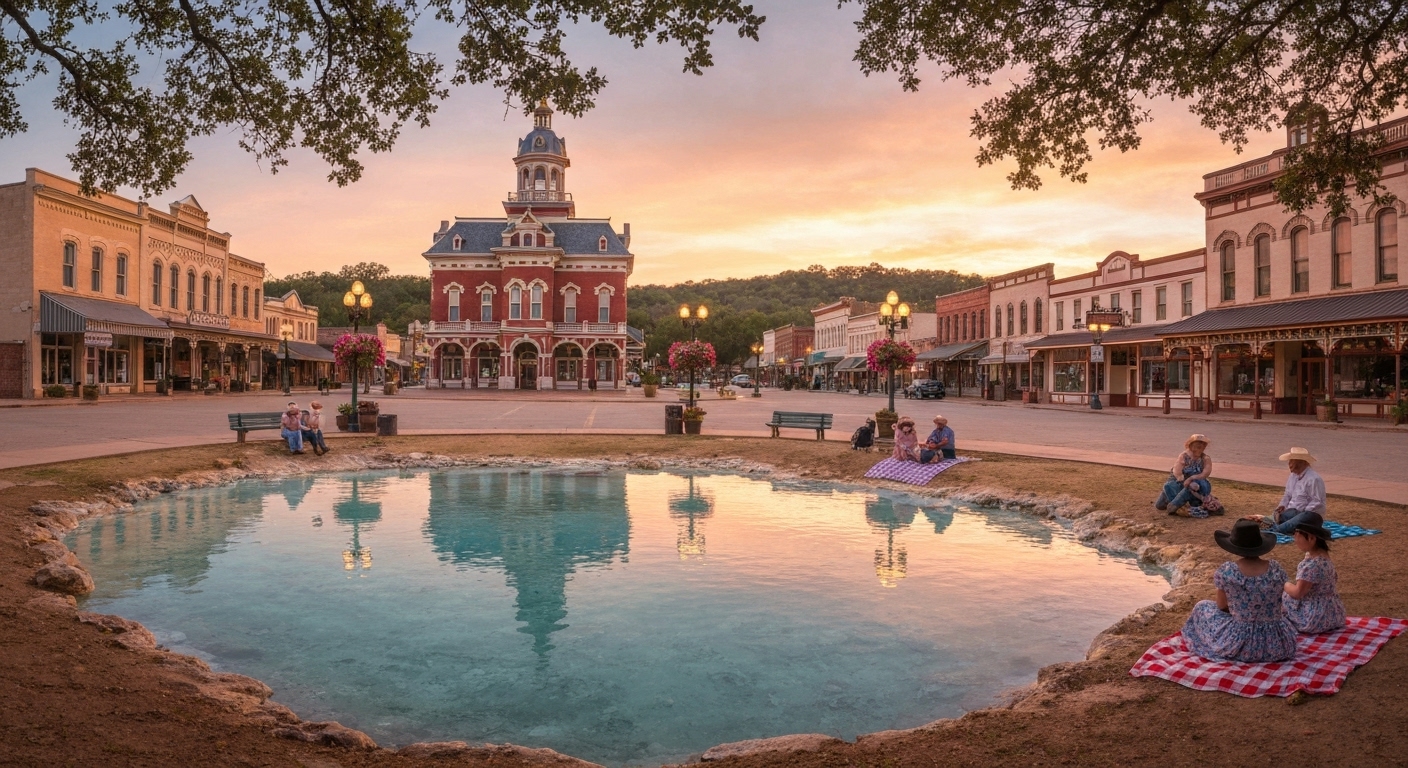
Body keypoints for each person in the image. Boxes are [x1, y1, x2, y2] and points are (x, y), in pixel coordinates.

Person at [1180, 519, 1297, 663]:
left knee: (1202, 607)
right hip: (1277, 644)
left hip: (1240, 643)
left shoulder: (1228, 572)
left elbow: (1222, 606)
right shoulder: (1276, 569)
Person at [1282, 519, 1346, 634]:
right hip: (1334, 614)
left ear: (1311, 538)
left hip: (1313, 618)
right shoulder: (1324, 558)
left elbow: (1298, 593)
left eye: (1297, 535)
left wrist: (1284, 584)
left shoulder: (1311, 566)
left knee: (1283, 596)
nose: (1294, 539)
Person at [1247, 447, 1327, 535]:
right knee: (1279, 516)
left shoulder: (1314, 479)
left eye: (1291, 461)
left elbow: (1316, 502)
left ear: (1300, 462)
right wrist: (1282, 506)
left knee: (1298, 519)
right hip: (1293, 512)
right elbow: (1287, 495)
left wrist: (1301, 514)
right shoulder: (1293, 476)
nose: (1289, 464)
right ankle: (1268, 522)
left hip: (1310, 515)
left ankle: (1273, 527)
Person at [1155, 434, 1214, 517]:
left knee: (1198, 487)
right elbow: (1177, 472)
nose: (1201, 447)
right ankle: (1176, 503)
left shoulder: (1206, 458)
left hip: (1196, 483)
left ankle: (1177, 505)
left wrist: (1192, 478)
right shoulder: (1183, 456)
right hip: (1181, 481)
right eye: (1198, 445)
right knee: (1161, 503)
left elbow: (1205, 473)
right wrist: (1185, 480)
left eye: (1203, 445)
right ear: (1191, 445)